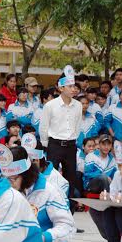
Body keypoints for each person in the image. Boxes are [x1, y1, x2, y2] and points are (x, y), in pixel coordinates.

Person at [39, 65, 82, 204]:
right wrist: (47, 145)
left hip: (71, 146)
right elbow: (43, 127)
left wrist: (73, 139)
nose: (73, 89)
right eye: (70, 86)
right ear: (61, 88)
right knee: (51, 176)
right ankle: (50, 204)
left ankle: (70, 209)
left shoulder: (78, 105)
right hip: (55, 145)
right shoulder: (50, 105)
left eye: (74, 86)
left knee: (71, 178)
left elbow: (78, 125)